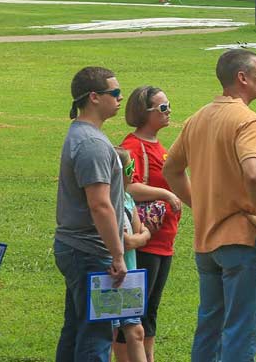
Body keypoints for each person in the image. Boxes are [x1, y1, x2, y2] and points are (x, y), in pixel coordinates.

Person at [163, 49, 256, 362]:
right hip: (240, 238)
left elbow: (171, 168)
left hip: (206, 243)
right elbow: (254, 172)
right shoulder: (247, 120)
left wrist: (201, 204)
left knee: (209, 329)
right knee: (240, 332)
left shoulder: (198, 117)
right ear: (242, 78)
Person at [54, 66, 129, 362]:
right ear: (95, 97)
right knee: (96, 334)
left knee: (75, 329)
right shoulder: (92, 144)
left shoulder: (82, 134)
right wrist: (118, 254)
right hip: (89, 252)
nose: (121, 97)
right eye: (115, 93)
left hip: (76, 249)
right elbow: (100, 205)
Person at [118, 86, 182, 362]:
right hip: (146, 243)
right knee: (134, 311)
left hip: (164, 241)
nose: (169, 112)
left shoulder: (158, 146)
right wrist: (165, 194)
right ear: (145, 114)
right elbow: (128, 187)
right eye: (163, 108)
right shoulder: (133, 146)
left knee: (150, 309)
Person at [112, 148, 151, 362]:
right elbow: (129, 240)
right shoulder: (109, 201)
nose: (133, 173)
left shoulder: (127, 198)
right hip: (111, 276)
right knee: (109, 334)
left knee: (136, 332)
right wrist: (140, 238)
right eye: (130, 168)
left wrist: (139, 237)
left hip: (130, 277)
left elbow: (137, 233)